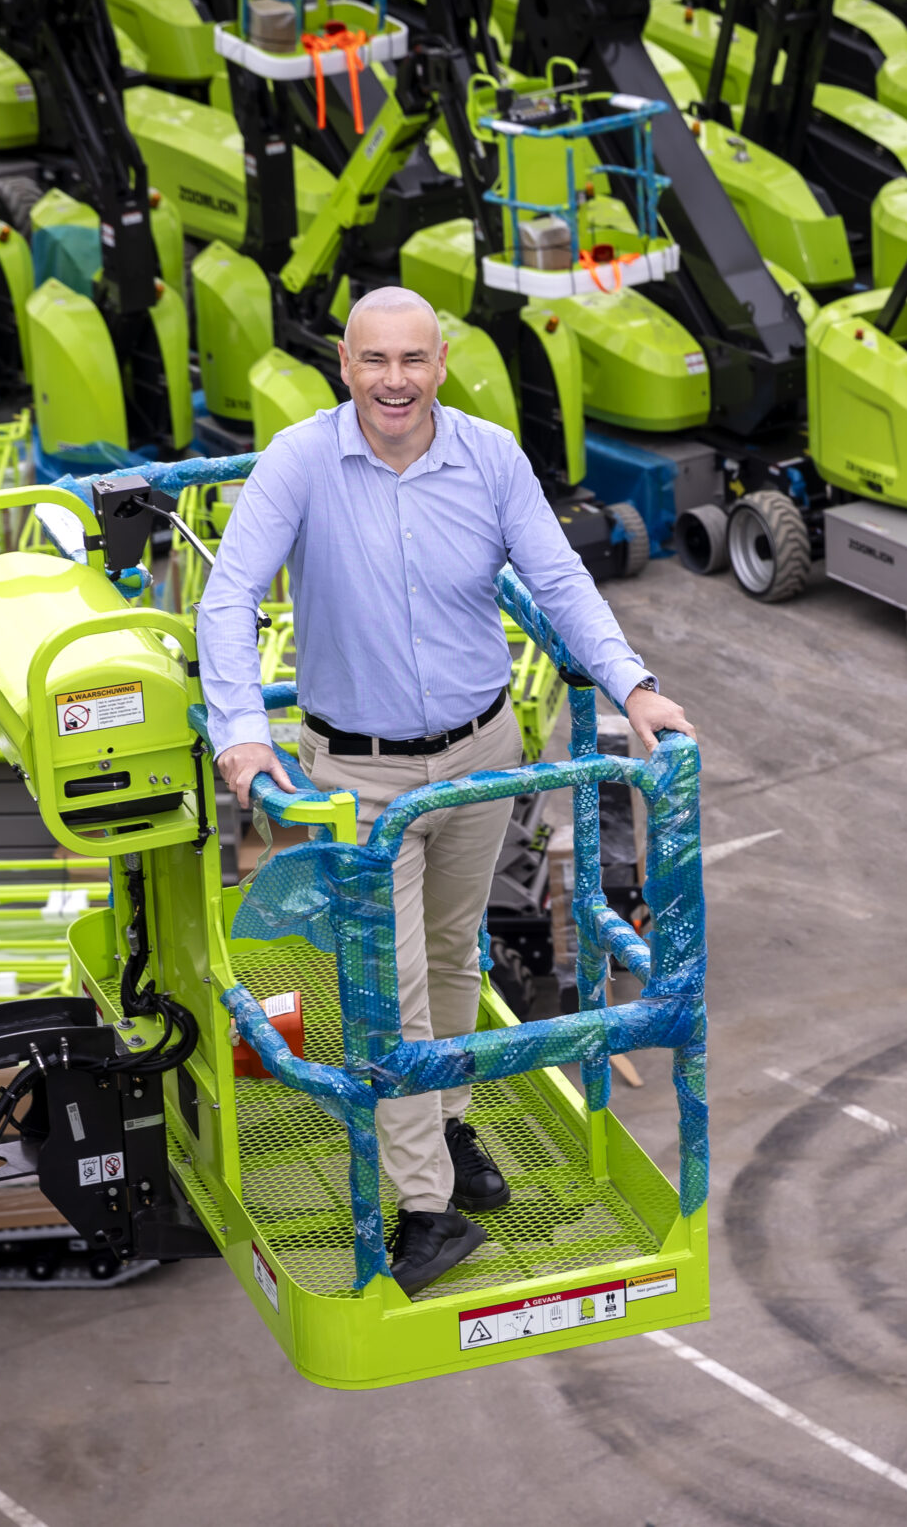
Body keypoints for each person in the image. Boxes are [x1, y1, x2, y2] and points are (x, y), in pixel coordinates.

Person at [197, 285, 694, 1294]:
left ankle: (451, 1128)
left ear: (442, 360)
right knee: (395, 990)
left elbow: (558, 581)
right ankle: (426, 1209)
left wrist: (632, 686)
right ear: (345, 363)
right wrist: (244, 736)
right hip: (359, 775)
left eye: (412, 361)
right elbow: (229, 594)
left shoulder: (488, 456)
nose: (393, 382)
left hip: (479, 754)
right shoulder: (300, 462)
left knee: (452, 951)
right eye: (374, 361)